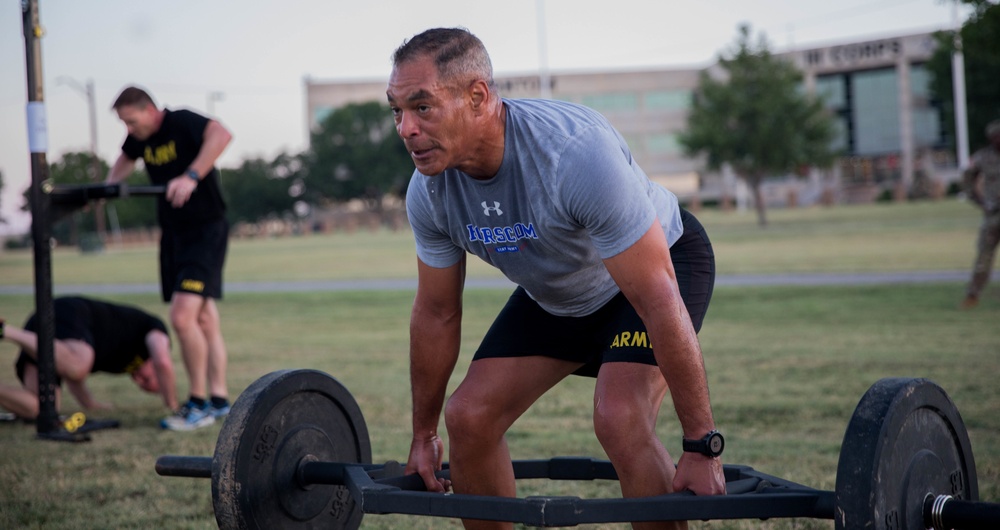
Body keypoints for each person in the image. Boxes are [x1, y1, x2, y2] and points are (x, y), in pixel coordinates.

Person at [387, 28, 726, 530]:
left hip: (655, 271)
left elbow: (656, 297)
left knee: (620, 416)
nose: (406, 128)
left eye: (422, 107)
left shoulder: (571, 154)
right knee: (469, 418)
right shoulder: (430, 192)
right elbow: (437, 313)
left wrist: (701, 444)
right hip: (560, 293)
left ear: (478, 97)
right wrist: (423, 435)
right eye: (396, 111)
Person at [106, 86, 234, 430]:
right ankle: (219, 401)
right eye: (124, 124)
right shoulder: (139, 139)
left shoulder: (180, 122)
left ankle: (196, 404)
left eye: (132, 121)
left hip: (205, 230)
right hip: (174, 235)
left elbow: (221, 134)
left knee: (181, 317)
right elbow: (123, 160)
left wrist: (192, 175)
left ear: (149, 109)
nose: (129, 130)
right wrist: (106, 188)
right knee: (204, 318)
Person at [0, 296, 178, 421]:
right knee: (78, 365)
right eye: (147, 378)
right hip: (68, 312)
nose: (137, 379)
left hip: (47, 343)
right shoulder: (154, 331)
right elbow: (163, 361)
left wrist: (90, 404)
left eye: (140, 384)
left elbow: (71, 372)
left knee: (43, 410)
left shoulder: (117, 363)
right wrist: (172, 405)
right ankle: (5, 330)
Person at [960, 119, 1000, 309]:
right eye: (995, 137)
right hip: (993, 215)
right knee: (984, 256)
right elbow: (967, 180)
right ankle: (973, 295)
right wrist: (980, 201)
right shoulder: (983, 157)